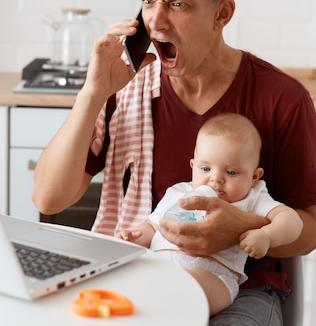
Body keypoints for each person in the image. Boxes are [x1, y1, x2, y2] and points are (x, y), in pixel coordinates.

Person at [33, 0, 316, 326]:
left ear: (222, 13)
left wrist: (243, 227)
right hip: (140, 274)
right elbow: (48, 200)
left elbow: (308, 233)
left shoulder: (282, 99)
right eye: (147, 1)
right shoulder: (125, 87)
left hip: (239, 290)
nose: (155, 20)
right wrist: (92, 93)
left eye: (177, 4)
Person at [115, 113, 303, 315]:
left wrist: (267, 235)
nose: (215, 179)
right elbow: (153, 226)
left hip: (214, 278)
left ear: (254, 176)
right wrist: (136, 236)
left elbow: (292, 221)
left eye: (231, 172)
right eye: (205, 168)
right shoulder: (178, 193)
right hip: (159, 270)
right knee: (125, 278)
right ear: (193, 166)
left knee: (190, 285)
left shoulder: (252, 198)